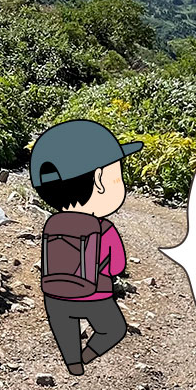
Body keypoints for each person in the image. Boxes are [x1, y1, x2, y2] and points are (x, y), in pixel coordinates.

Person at [29, 119, 142, 376]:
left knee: (64, 329)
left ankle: (73, 362)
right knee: (114, 329)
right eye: (118, 176)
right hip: (93, 296)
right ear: (99, 180)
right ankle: (87, 355)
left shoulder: (52, 223)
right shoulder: (105, 229)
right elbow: (118, 266)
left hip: (55, 295)